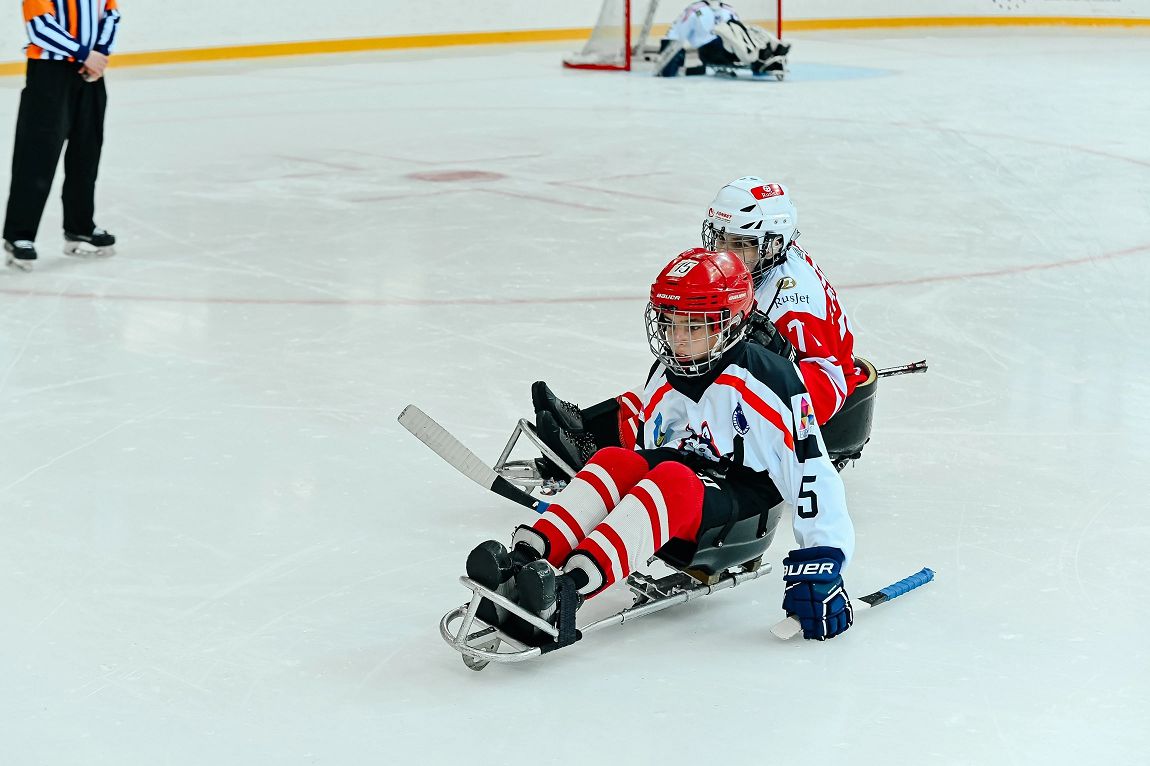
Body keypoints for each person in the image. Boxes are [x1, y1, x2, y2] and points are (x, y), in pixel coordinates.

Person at [467, 249, 855, 644]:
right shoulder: (666, 374)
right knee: (615, 460)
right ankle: (524, 558)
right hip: (688, 486)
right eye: (670, 323)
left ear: (731, 323)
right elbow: (645, 453)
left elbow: (812, 474)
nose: (677, 338)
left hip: (744, 510)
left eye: (694, 325)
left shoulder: (769, 380)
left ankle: (566, 593)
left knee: (672, 478)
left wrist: (822, 563)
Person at [534, 177, 869, 472]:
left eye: (740, 244)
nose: (726, 252)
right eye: (721, 239)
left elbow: (831, 386)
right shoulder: (767, 265)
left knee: (696, 382)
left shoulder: (794, 302)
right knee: (683, 370)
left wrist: (780, 364)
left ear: (774, 244)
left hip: (814, 407)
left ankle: (603, 449)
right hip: (781, 385)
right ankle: (586, 427)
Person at [3, 0, 122, 272]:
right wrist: (85, 54)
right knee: (37, 154)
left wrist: (100, 54)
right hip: (49, 73)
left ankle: (80, 226)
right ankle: (19, 234)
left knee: (86, 151)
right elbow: (39, 26)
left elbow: (111, 14)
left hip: (91, 72)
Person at [654, 1, 790, 78]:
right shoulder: (695, 10)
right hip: (708, 50)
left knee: (750, 30)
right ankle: (759, 56)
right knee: (728, 30)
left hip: (729, 48)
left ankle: (772, 49)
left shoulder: (729, 10)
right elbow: (676, 32)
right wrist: (667, 57)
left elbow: (741, 33)